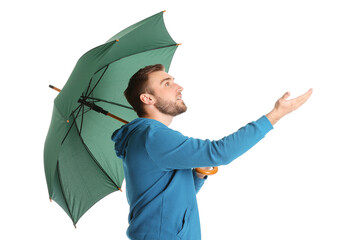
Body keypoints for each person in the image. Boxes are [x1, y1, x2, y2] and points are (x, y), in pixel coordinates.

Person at [112, 64, 313, 240]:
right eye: (167, 83)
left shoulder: (149, 136)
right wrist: (276, 115)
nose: (179, 87)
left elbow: (171, 196)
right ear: (147, 98)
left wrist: (199, 174)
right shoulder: (153, 136)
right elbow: (220, 152)